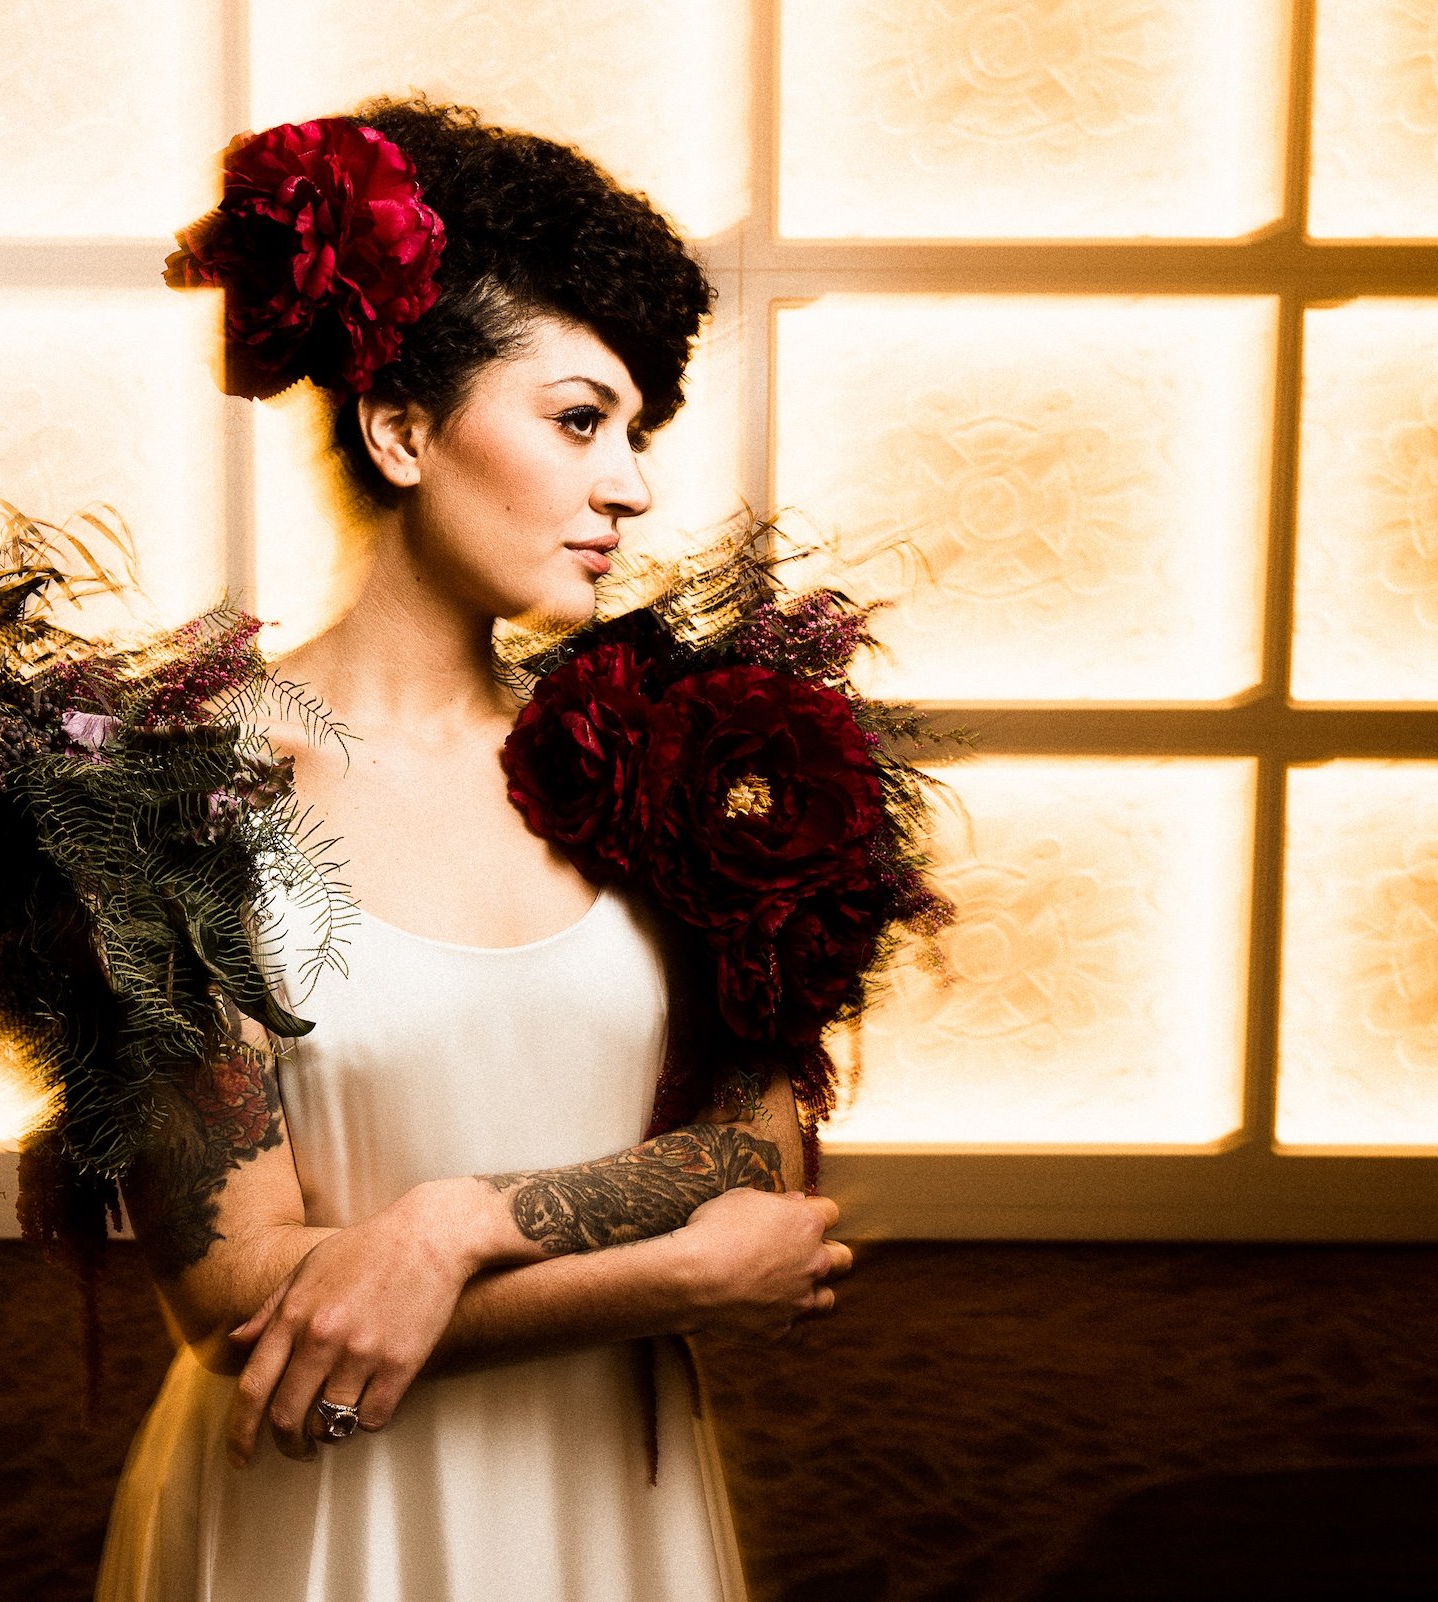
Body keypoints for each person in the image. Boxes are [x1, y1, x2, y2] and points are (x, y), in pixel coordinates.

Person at [94, 95, 854, 1602]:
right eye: (580, 420)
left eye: (633, 434)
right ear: (400, 428)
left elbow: (758, 1148)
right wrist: (673, 1275)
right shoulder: (185, 801)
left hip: (600, 1504)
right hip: (322, 1517)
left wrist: (456, 1224)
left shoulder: (650, 759)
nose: (630, 485)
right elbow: (240, 1296)